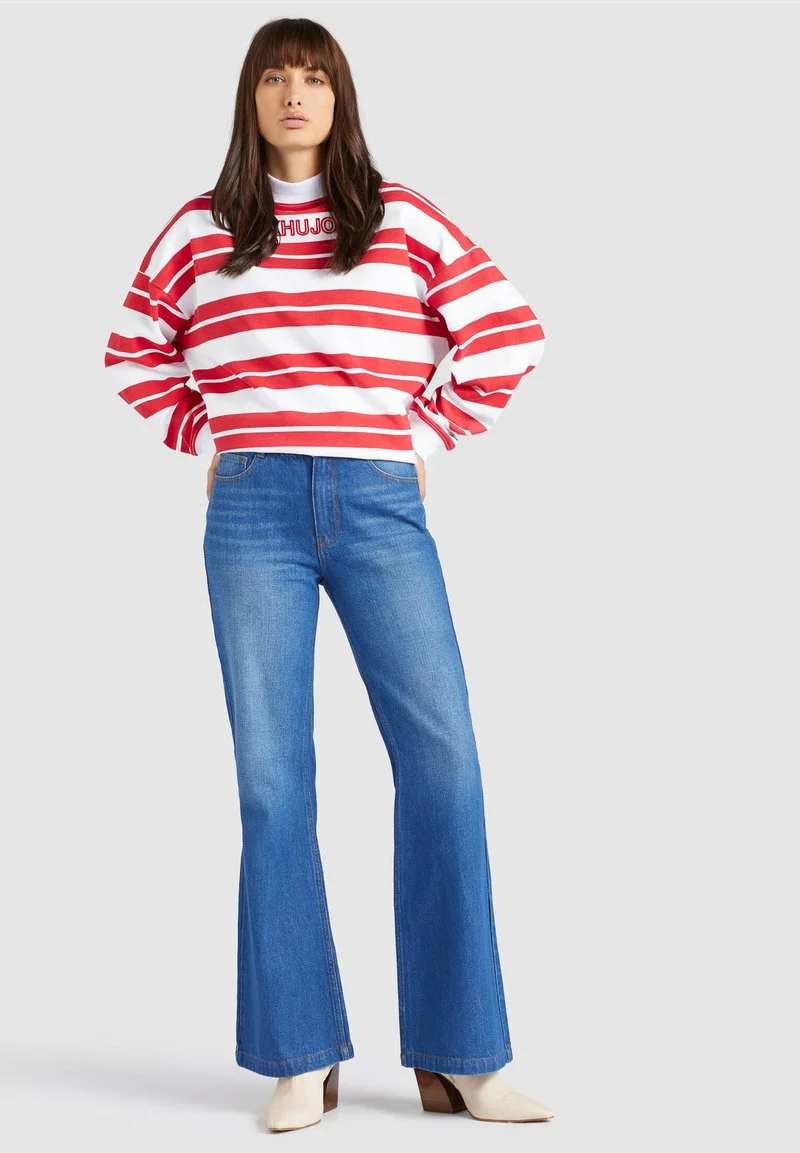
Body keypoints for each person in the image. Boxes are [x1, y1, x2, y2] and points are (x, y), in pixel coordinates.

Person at [104, 16, 552, 1132]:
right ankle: (298, 1054)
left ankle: (463, 1054)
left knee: (444, 763)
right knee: (271, 780)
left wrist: (421, 436)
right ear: (249, 98)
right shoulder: (200, 229)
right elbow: (133, 352)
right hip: (251, 509)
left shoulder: (399, 217)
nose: (294, 94)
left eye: (314, 76)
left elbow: (508, 331)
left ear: (340, 96)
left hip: (377, 502)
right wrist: (209, 439)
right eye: (274, 77)